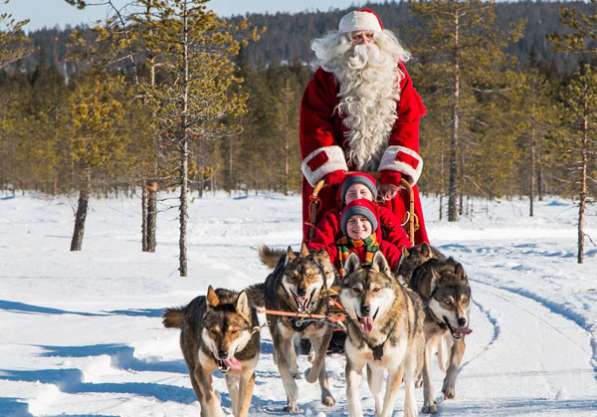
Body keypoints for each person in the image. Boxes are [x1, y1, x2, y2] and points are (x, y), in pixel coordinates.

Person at [300, 8, 429, 245]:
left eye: (370, 36)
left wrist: (394, 171)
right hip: (338, 179)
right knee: (330, 238)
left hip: (385, 177)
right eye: (357, 37)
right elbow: (314, 125)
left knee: (396, 238)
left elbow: (408, 121)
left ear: (380, 40)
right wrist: (332, 171)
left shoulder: (397, 76)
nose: (364, 43)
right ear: (342, 42)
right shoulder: (325, 77)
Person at [308, 172, 411, 276]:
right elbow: (321, 243)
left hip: (377, 258)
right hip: (344, 256)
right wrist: (314, 257)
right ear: (344, 198)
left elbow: (399, 239)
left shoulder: (383, 214)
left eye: (363, 193)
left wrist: (407, 257)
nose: (358, 197)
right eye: (352, 194)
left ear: (373, 197)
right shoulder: (334, 216)